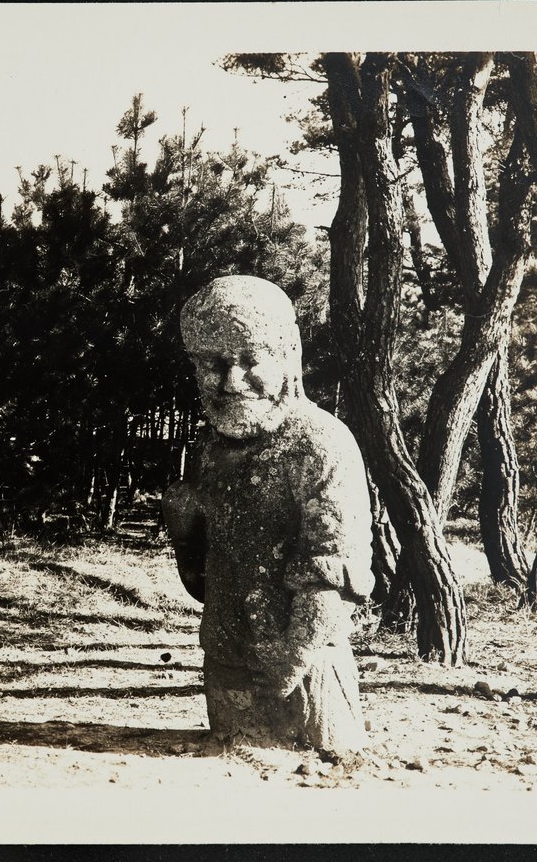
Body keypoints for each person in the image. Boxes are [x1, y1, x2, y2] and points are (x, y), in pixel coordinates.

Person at [163, 275, 374, 754]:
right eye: (212, 363)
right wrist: (186, 534)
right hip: (227, 657)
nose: (231, 382)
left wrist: (293, 655)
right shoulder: (211, 451)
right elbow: (204, 583)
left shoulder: (319, 443)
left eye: (251, 360)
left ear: (288, 355)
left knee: (313, 751)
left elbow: (334, 571)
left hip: (303, 665)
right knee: (235, 746)